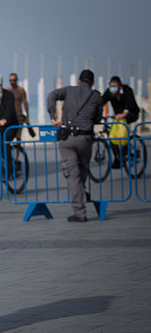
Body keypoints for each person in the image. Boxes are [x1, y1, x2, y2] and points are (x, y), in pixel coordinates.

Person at [47, 69, 103, 222]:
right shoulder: (97, 96)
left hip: (67, 138)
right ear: (92, 82)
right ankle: (81, 195)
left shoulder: (69, 90)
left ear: (79, 80)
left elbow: (52, 95)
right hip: (85, 138)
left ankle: (79, 212)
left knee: (72, 175)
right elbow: (98, 118)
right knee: (83, 168)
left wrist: (53, 116)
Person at [101, 76, 141, 168]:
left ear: (119, 86)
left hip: (131, 114)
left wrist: (124, 113)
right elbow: (101, 101)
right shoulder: (109, 92)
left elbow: (130, 103)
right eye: (111, 86)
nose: (112, 88)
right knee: (111, 136)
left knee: (122, 133)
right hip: (118, 117)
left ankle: (125, 151)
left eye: (114, 86)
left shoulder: (127, 90)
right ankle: (118, 156)